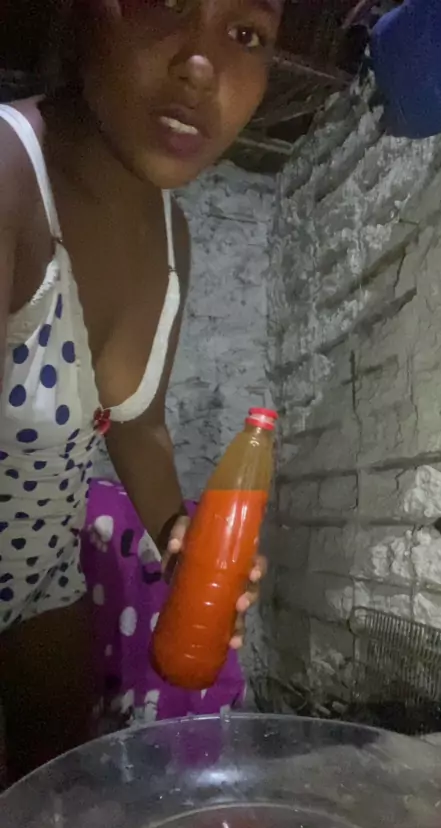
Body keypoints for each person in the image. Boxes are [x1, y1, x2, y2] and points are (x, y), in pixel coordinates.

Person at [0, 0, 282, 782]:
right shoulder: (9, 175)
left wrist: (181, 544)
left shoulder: (170, 237)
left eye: (247, 34)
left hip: (44, 574)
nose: (201, 66)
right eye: (166, 5)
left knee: (58, 785)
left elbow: (135, 421)